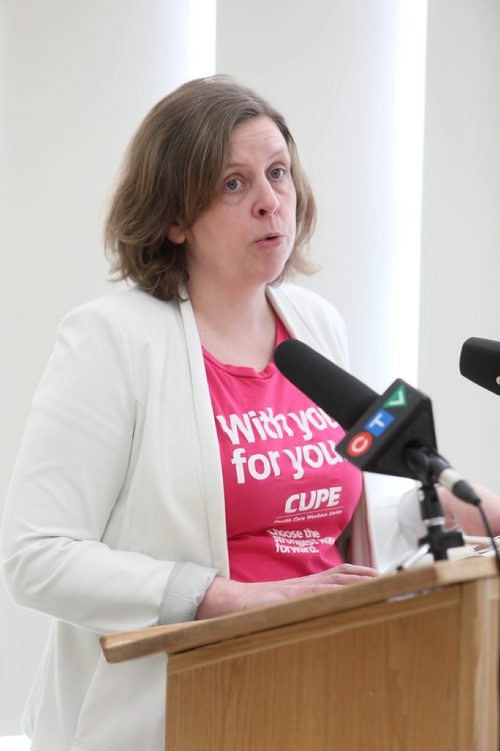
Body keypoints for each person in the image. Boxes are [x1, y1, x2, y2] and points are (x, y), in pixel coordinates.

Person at [1, 75, 498, 751]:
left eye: (278, 174)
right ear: (176, 217)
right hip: (183, 705)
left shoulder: (315, 327)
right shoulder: (112, 341)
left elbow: (329, 515)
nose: (271, 202)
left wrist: (469, 509)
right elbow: (38, 557)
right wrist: (230, 596)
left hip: (331, 684)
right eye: (234, 184)